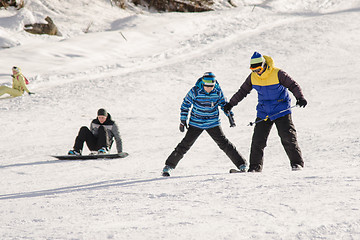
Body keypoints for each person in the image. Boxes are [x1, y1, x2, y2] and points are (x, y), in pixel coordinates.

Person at [224, 52, 307, 172]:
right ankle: (254, 168)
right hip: (264, 112)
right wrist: (231, 104)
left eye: (258, 68)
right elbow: (243, 91)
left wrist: (300, 97)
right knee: (258, 140)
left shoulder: (277, 73)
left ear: (264, 65)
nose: (257, 72)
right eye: (254, 69)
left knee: (288, 137)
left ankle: (297, 164)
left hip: (281, 110)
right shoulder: (253, 77)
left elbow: (293, 85)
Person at [162, 72, 247, 176]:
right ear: (203, 84)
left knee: (224, 143)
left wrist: (230, 116)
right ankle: (168, 166)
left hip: (212, 123)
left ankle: (242, 164)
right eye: (207, 86)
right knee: (185, 145)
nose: (209, 88)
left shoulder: (217, 91)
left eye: (211, 86)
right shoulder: (195, 91)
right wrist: (183, 120)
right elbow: (185, 104)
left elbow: (224, 105)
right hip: (196, 123)